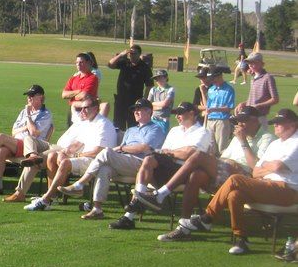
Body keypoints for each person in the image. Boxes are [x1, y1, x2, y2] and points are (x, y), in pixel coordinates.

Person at [171, 108, 298, 255]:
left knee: (235, 179)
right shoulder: (276, 144)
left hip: (288, 190)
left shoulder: (295, 142)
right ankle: (241, 239)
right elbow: (256, 172)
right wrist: (270, 167)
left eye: (280, 123)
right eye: (275, 122)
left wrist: (268, 166)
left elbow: (276, 166)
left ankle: (207, 217)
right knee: (235, 195)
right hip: (267, 185)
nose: (276, 125)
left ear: (293, 124)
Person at [156, 106, 274, 241]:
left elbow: (256, 168)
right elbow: (224, 158)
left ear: (256, 121)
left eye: (243, 120)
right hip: (227, 172)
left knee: (199, 155)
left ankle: (162, 193)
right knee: (196, 175)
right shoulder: (238, 137)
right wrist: (222, 161)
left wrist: (243, 142)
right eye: (238, 121)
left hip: (245, 178)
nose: (240, 124)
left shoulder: (267, 138)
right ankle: (184, 226)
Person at [107, 101, 214, 229]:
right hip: (167, 168)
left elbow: (189, 154)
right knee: (148, 160)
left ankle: (132, 212)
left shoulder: (202, 131)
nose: (177, 116)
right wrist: (174, 152)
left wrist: (171, 152)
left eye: (180, 113)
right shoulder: (174, 130)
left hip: (185, 173)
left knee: (149, 159)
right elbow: (163, 152)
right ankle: (135, 206)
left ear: (192, 114)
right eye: (176, 113)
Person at [58, 98, 166, 219]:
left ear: (149, 112)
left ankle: (80, 184)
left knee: (106, 152)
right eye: (135, 110)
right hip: (125, 162)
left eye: (139, 109)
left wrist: (121, 147)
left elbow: (144, 148)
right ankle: (97, 209)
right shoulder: (131, 130)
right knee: (104, 169)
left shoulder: (155, 129)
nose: (136, 112)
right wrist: (121, 149)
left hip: (143, 165)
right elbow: (123, 149)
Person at [24, 96, 118, 211]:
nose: (82, 111)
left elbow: (98, 152)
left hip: (97, 161)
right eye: (81, 108)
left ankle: (45, 200)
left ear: (95, 109)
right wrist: (63, 152)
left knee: (65, 163)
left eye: (85, 108)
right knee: (53, 156)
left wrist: (74, 156)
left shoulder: (103, 124)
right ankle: (53, 197)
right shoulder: (89, 123)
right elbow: (77, 144)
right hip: (85, 157)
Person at [0, 84, 54, 199]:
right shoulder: (24, 111)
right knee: (2, 151)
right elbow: (14, 131)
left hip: (32, 147)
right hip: (18, 143)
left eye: (32, 96)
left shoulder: (45, 114)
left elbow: (34, 133)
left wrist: (28, 116)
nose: (29, 98)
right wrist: (25, 127)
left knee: (0, 137)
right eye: (28, 96)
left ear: (40, 97)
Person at [107, 44, 152, 131]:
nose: (131, 55)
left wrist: (144, 99)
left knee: (133, 126)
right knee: (118, 126)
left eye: (134, 53)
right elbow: (110, 64)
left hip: (134, 101)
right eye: (130, 53)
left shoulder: (144, 67)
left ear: (139, 54)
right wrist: (120, 55)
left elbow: (149, 85)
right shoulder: (125, 63)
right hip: (121, 99)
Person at [237, 52, 279, 127]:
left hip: (260, 116)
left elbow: (275, 99)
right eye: (249, 63)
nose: (250, 65)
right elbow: (254, 99)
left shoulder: (268, 78)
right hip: (249, 114)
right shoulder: (253, 78)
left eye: (254, 62)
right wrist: (244, 103)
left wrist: (259, 105)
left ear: (261, 64)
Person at [201, 66, 235, 153]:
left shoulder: (229, 89)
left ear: (220, 76)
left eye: (213, 78)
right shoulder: (211, 89)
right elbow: (208, 108)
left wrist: (214, 109)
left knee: (222, 148)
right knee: (210, 149)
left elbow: (229, 107)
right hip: (210, 120)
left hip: (222, 121)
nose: (212, 81)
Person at [62, 53, 99, 124]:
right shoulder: (73, 78)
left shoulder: (92, 78)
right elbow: (64, 95)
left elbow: (84, 95)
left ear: (88, 63)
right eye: (77, 62)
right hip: (72, 109)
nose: (78, 64)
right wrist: (79, 91)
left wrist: (71, 96)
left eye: (81, 62)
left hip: (84, 111)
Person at [147, 69, 174, 135]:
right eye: (156, 79)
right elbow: (147, 105)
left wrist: (153, 104)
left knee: (162, 141)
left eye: (160, 77)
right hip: (152, 120)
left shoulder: (170, 89)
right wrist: (160, 106)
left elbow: (165, 104)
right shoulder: (153, 89)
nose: (157, 80)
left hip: (163, 120)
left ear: (166, 77)